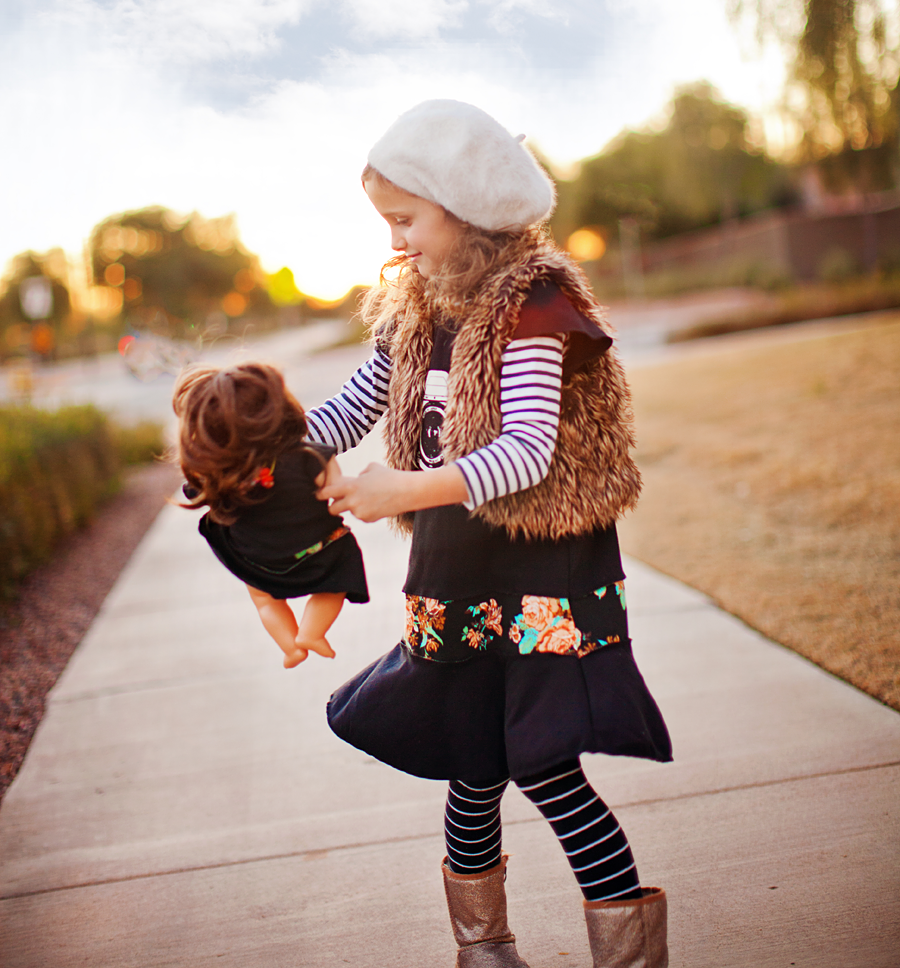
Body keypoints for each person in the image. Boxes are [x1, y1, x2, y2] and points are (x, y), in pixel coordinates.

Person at [303, 100, 671, 968]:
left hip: (540, 574)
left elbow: (528, 455)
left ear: (463, 207)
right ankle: (485, 952)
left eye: (406, 219)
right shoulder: (414, 307)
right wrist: (265, 461)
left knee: (543, 763)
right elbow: (352, 406)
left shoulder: (533, 304)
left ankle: (630, 958)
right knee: (471, 765)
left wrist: (399, 492)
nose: (396, 242)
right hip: (455, 572)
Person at [173, 362, 369, 667]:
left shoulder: (216, 476)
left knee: (265, 600)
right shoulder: (311, 456)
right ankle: (311, 632)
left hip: (256, 560)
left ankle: (291, 647)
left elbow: (194, 495)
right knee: (337, 579)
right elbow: (336, 494)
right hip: (316, 553)